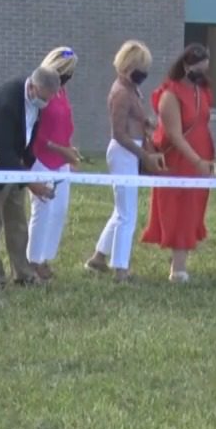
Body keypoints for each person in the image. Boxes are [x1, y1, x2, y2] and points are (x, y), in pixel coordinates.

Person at [0, 66, 61, 287]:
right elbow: (3, 149)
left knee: (17, 223)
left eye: (48, 100)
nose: (44, 104)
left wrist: (26, 167)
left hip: (14, 168)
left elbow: (28, 136)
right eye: (42, 98)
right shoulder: (7, 102)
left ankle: (23, 274)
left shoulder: (35, 102)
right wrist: (31, 182)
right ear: (32, 87)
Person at [87, 41, 164, 281]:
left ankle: (99, 257)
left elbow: (133, 121)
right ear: (129, 65)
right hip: (124, 152)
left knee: (121, 210)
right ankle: (121, 268)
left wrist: (147, 124)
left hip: (132, 150)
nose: (144, 73)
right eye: (141, 67)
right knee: (127, 214)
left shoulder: (131, 89)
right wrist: (144, 156)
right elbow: (119, 133)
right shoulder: (121, 92)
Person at [141, 44, 214, 283]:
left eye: (205, 69)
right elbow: (174, 135)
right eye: (197, 69)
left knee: (193, 209)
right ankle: (178, 270)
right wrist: (197, 161)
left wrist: (207, 159)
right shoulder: (170, 94)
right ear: (185, 65)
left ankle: (178, 260)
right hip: (180, 160)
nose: (201, 74)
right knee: (179, 210)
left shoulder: (202, 91)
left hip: (201, 156)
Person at [27, 46, 80, 281]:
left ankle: (46, 257)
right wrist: (60, 149)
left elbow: (65, 124)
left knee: (59, 210)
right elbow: (36, 131)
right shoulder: (41, 92)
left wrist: (70, 150)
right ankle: (32, 261)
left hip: (61, 160)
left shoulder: (63, 92)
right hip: (41, 156)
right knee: (43, 209)